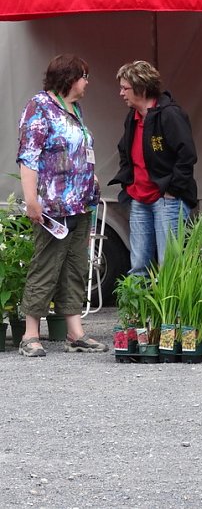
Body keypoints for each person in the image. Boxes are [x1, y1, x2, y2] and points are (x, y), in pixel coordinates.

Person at [16, 54, 106, 357]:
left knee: (75, 267)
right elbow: (29, 156)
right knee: (46, 266)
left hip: (80, 204)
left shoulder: (74, 108)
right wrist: (31, 200)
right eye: (83, 76)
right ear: (69, 78)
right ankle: (30, 334)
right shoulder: (40, 107)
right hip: (52, 205)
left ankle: (74, 333)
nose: (87, 82)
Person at [109, 60, 197, 276]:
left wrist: (172, 189)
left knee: (169, 263)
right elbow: (124, 149)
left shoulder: (170, 114)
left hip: (167, 198)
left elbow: (187, 155)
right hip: (140, 197)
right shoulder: (133, 116)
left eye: (125, 88)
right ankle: (138, 309)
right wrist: (129, 181)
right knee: (139, 263)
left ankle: (172, 310)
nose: (121, 93)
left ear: (141, 87)